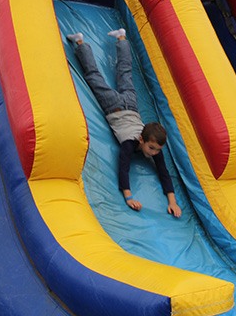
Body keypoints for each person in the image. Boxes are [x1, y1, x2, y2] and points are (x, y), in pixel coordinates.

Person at [67, 28, 182, 218]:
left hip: (130, 104)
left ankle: (122, 37)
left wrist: (173, 202)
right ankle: (81, 43)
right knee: (94, 76)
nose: (154, 153)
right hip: (115, 107)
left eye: (156, 150)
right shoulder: (130, 143)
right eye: (152, 148)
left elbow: (164, 173)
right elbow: (123, 168)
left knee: (125, 72)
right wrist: (129, 197)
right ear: (141, 139)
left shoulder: (153, 146)